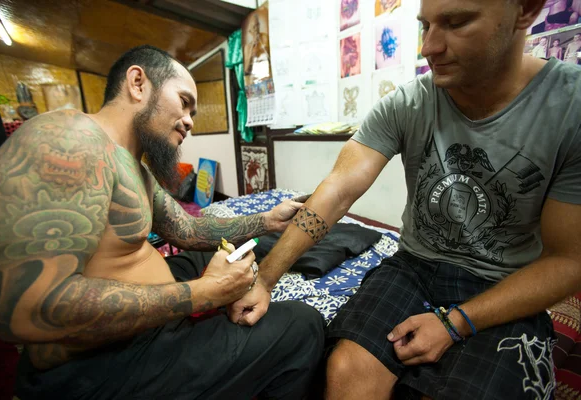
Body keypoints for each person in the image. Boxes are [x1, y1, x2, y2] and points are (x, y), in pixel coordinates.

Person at [228, 0, 581, 399]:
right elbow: (339, 189)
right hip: (416, 264)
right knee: (345, 369)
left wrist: (456, 323)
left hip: (503, 281)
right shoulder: (409, 103)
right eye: (425, 26)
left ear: (526, 11)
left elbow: (568, 259)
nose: (428, 46)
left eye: (456, 22)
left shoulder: (570, 108)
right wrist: (265, 279)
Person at [0, 45, 324, 400]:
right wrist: (205, 294)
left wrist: (268, 220)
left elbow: (188, 230)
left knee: (208, 256)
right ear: (137, 83)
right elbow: (24, 310)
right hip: (96, 370)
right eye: (184, 101)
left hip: (136, 331)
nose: (191, 119)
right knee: (303, 325)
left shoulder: (133, 165)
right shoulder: (67, 142)